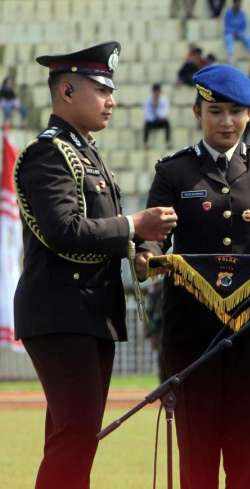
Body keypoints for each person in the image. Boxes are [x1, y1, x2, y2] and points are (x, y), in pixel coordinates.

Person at [135, 64, 250, 489]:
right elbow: (156, 237)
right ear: (198, 112)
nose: (226, 121)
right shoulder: (174, 172)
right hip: (191, 331)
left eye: (236, 111)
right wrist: (147, 256)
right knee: (196, 454)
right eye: (216, 111)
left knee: (249, 454)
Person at [13, 42, 177, 489]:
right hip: (62, 311)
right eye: (101, 89)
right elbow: (65, 230)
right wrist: (133, 224)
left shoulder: (84, 152)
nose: (112, 100)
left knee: (75, 437)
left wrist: (140, 248)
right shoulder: (48, 155)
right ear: (66, 90)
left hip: (86, 314)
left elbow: (101, 233)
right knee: (75, 436)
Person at [143, 83, 171, 148]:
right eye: (155, 92)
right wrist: (154, 107)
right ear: (153, 92)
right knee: (146, 124)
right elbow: (147, 114)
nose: (157, 94)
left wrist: (158, 113)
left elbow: (166, 111)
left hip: (161, 120)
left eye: (158, 92)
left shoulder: (164, 100)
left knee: (167, 123)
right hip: (152, 121)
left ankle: (167, 142)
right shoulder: (148, 100)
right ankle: (146, 143)